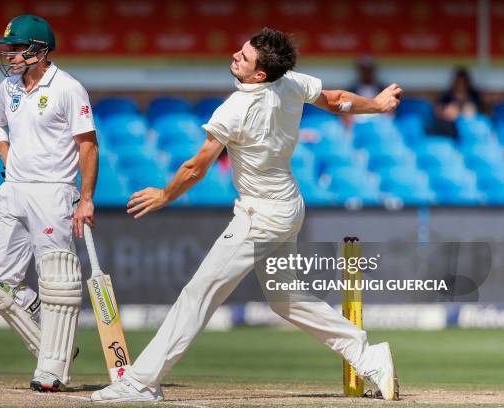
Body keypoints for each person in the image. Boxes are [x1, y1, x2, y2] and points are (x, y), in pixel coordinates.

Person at [92, 28, 401, 402]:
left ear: (259, 75)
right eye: (240, 50)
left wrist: (164, 195)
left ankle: (140, 382)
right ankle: (369, 356)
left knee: (198, 294)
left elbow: (196, 167)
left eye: (244, 57)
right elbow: (336, 101)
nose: (235, 56)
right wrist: (378, 105)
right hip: (288, 206)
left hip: (260, 216)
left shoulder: (236, 109)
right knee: (286, 299)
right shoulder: (291, 84)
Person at [0, 15, 97, 392]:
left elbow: (88, 145)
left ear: (40, 50)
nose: (11, 56)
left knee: (58, 279)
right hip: (14, 190)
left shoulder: (68, 88)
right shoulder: (8, 87)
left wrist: (85, 199)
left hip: (54, 191)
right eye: (9, 49)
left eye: (18, 49)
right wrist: (4, 153)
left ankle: (52, 371)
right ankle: (54, 338)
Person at [433, 67, 483, 138]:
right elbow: (438, 109)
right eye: (458, 81)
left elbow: (478, 113)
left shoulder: (474, 96)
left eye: (463, 82)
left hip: (469, 130)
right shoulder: (447, 96)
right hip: (449, 129)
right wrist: (445, 112)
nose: (461, 84)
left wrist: (460, 113)